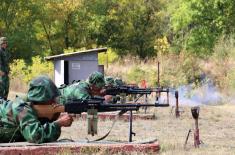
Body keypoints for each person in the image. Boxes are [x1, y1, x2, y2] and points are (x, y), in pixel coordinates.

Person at [0, 76, 73, 143]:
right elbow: (35, 136)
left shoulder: (31, 108)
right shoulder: (21, 108)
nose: (54, 103)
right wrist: (59, 123)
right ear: (41, 100)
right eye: (51, 100)